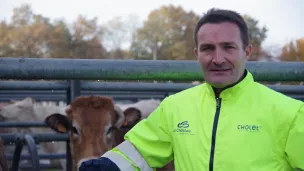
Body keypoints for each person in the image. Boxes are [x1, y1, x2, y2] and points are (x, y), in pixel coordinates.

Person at [79, 8, 304, 171]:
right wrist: (109, 165)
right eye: (208, 48)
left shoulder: (290, 113)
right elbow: (140, 152)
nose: (218, 59)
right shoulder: (175, 107)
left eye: (228, 47)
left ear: (247, 51)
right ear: (196, 54)